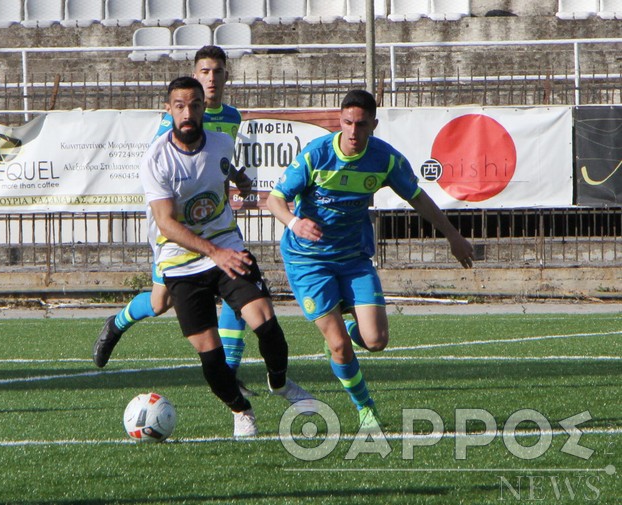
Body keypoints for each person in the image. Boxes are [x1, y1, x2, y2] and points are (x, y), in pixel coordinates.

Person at [266, 90, 474, 431]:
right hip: (308, 260)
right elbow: (275, 200)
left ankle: (350, 330)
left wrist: (453, 235)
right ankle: (365, 406)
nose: (352, 132)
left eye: (361, 125)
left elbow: (418, 197)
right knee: (338, 347)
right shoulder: (316, 155)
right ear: (340, 121)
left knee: (376, 341)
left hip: (353, 258)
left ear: (373, 125)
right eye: (347, 123)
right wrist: (294, 222)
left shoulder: (385, 159)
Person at [135, 76, 314, 437]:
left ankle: (279, 384)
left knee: (268, 327)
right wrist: (214, 253)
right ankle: (241, 409)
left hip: (227, 247)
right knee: (211, 358)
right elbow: (166, 224)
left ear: (204, 107)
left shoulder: (220, 141)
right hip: (181, 260)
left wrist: (240, 180)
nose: (188, 113)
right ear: (168, 110)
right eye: (180, 106)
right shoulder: (155, 159)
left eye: (195, 105)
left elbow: (221, 166)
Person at [93, 46, 253, 391]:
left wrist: (236, 176)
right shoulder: (176, 117)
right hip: (174, 224)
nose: (211, 78)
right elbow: (166, 160)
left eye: (217, 71)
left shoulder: (232, 117)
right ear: (195, 76)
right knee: (158, 302)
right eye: (204, 71)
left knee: (236, 282)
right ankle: (117, 323)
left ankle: (230, 374)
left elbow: (214, 159)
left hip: (214, 222)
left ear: (226, 76)